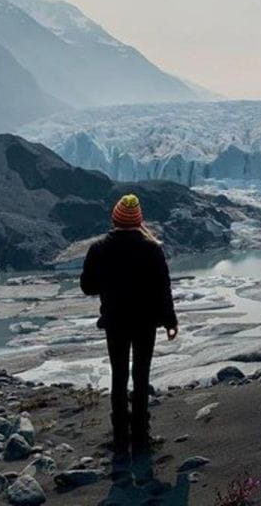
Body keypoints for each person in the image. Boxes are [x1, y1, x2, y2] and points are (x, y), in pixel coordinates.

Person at [80, 194, 179, 461]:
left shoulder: (98, 249)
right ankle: (141, 436)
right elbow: (163, 288)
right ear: (138, 220)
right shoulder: (152, 249)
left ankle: (120, 438)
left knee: (119, 375)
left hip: (115, 321)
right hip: (146, 322)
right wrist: (170, 321)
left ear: (115, 219)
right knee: (141, 375)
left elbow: (87, 286)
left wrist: (109, 285)